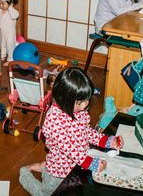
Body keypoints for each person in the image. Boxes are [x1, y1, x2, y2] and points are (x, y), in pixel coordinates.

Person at [19, 67, 124, 196]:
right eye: (80, 102)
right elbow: (72, 151)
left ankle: (44, 166)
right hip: (59, 171)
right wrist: (92, 163)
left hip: (75, 165)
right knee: (44, 193)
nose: (85, 105)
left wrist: (107, 141)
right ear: (64, 99)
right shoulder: (54, 121)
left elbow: (87, 132)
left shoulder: (78, 111)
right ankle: (24, 173)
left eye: (87, 100)